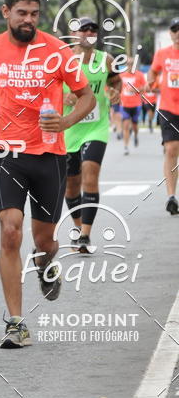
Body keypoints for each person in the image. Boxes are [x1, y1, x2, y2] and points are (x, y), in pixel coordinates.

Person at [0, 0, 95, 349]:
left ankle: (44, 266)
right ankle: (15, 321)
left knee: (45, 241)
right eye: (21, 13)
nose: (28, 20)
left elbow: (86, 97)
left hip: (51, 156)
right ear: (5, 12)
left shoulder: (57, 50)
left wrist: (67, 122)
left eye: (34, 14)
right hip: (10, 154)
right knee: (11, 231)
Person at [63, 17, 122, 252]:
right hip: (69, 127)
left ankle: (86, 235)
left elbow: (116, 81)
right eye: (83, 29)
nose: (88, 33)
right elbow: (47, 88)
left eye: (92, 30)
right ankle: (78, 228)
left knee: (90, 172)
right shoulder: (64, 60)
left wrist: (115, 93)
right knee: (71, 185)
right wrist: (61, 97)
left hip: (96, 127)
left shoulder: (105, 60)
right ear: (74, 33)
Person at [148, 17, 179, 215]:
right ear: (170, 33)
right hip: (168, 107)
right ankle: (171, 197)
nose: (178, 33)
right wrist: (151, 84)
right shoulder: (162, 54)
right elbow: (152, 74)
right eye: (174, 30)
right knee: (171, 149)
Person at [119, 60, 147, 155]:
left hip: (136, 104)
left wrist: (135, 89)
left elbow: (145, 87)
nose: (130, 66)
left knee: (134, 125)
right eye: (128, 64)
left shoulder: (139, 75)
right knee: (126, 125)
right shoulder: (121, 75)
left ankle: (135, 135)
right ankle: (126, 147)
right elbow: (117, 87)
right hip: (124, 104)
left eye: (132, 64)